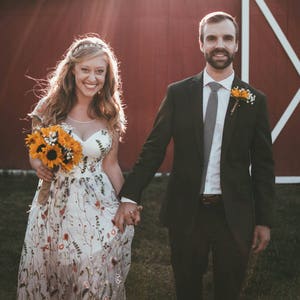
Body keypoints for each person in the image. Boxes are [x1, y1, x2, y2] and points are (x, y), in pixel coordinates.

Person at [114, 11, 275, 300]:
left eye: (227, 38)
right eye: (211, 38)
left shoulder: (254, 100)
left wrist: (264, 220)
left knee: (229, 290)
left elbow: (263, 165)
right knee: (187, 288)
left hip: (234, 214)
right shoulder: (179, 93)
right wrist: (130, 195)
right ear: (201, 44)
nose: (220, 45)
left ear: (237, 44)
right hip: (187, 211)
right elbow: (154, 147)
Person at [17, 34, 140, 299]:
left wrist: (128, 201)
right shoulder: (48, 108)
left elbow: (111, 165)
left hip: (97, 202)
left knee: (92, 271)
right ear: (72, 69)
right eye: (85, 69)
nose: (92, 78)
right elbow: (34, 151)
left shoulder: (110, 112)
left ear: (108, 75)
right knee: (54, 273)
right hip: (55, 203)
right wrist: (38, 164)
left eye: (99, 71)